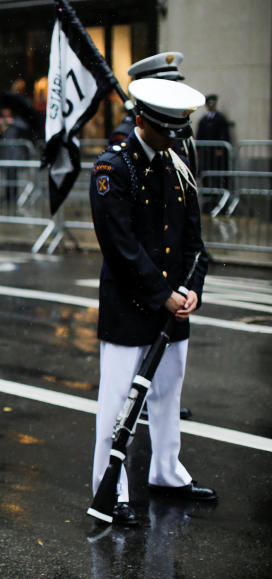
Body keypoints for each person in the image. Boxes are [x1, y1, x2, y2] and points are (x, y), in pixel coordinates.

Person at [89, 77, 216, 527]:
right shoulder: (112, 169)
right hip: (131, 307)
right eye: (164, 131)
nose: (170, 140)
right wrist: (165, 296)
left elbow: (195, 241)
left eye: (175, 132)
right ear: (141, 120)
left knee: (167, 395)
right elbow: (120, 248)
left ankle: (167, 471)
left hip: (172, 306)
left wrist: (192, 288)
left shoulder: (176, 165)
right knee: (118, 402)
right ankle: (112, 488)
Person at [196, 94, 231, 174]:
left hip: (216, 151)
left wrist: (220, 148)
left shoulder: (220, 118)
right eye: (209, 104)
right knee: (206, 170)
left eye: (212, 104)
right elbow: (199, 134)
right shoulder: (203, 120)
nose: (210, 106)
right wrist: (198, 148)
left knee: (217, 170)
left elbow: (224, 134)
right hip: (206, 151)